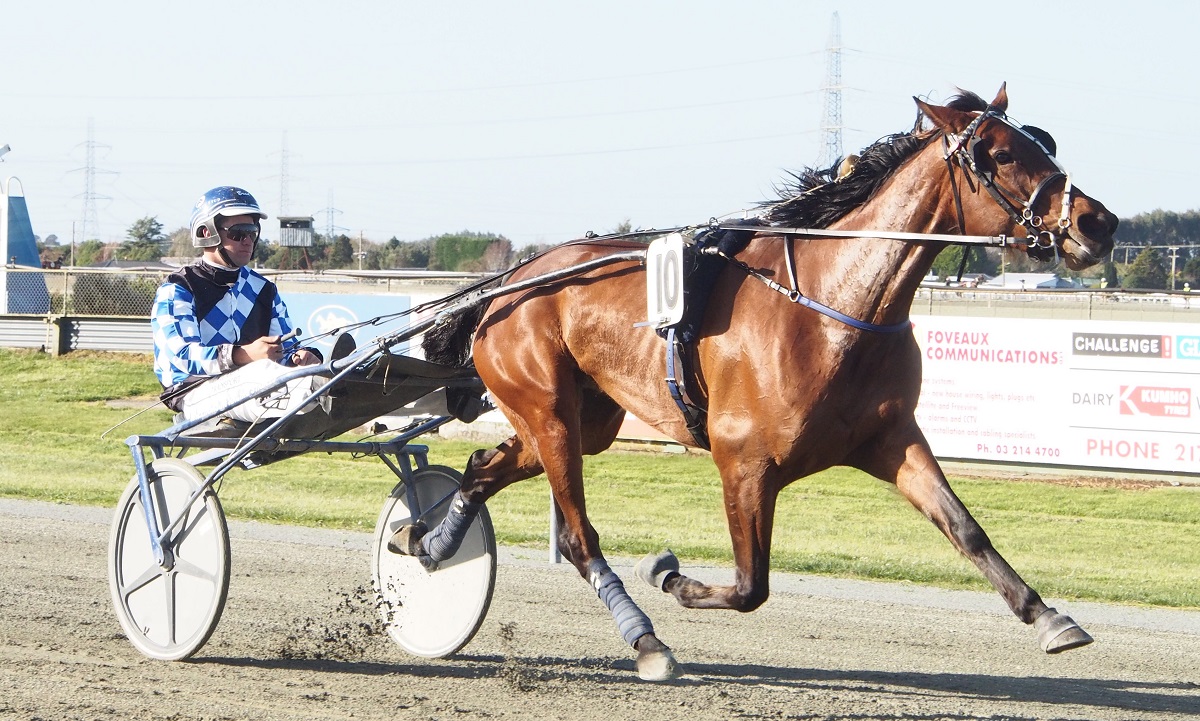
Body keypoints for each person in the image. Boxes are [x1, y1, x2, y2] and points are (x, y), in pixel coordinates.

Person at [151, 186, 324, 424]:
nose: (247, 241)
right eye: (238, 233)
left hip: (254, 385)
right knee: (261, 373)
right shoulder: (178, 288)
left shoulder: (264, 289)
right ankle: (322, 388)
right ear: (206, 233)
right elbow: (181, 356)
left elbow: (286, 347)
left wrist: (300, 357)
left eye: (252, 232)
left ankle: (332, 382)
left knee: (290, 371)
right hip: (193, 391)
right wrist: (241, 355)